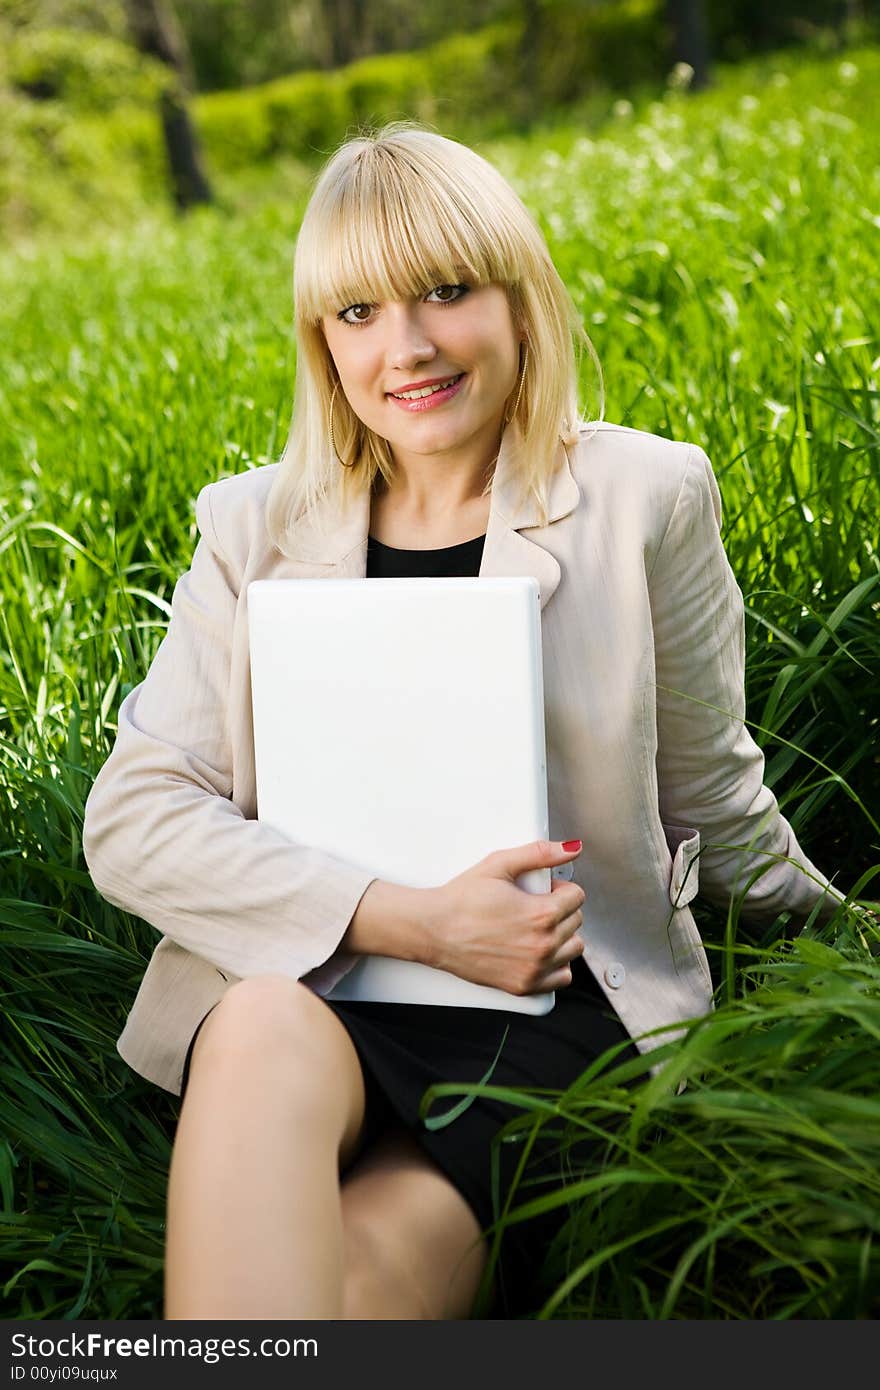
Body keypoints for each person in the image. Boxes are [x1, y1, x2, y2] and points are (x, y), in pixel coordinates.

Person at [81, 121, 850, 1321]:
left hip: (547, 1014)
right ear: (320, 341)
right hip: (314, 987)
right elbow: (131, 817)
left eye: (446, 291)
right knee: (253, 1029)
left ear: (519, 296)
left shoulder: (643, 497)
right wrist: (415, 922)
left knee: (347, 1291)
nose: (407, 347)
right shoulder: (251, 530)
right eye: (358, 313)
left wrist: (845, 952)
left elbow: (712, 797)